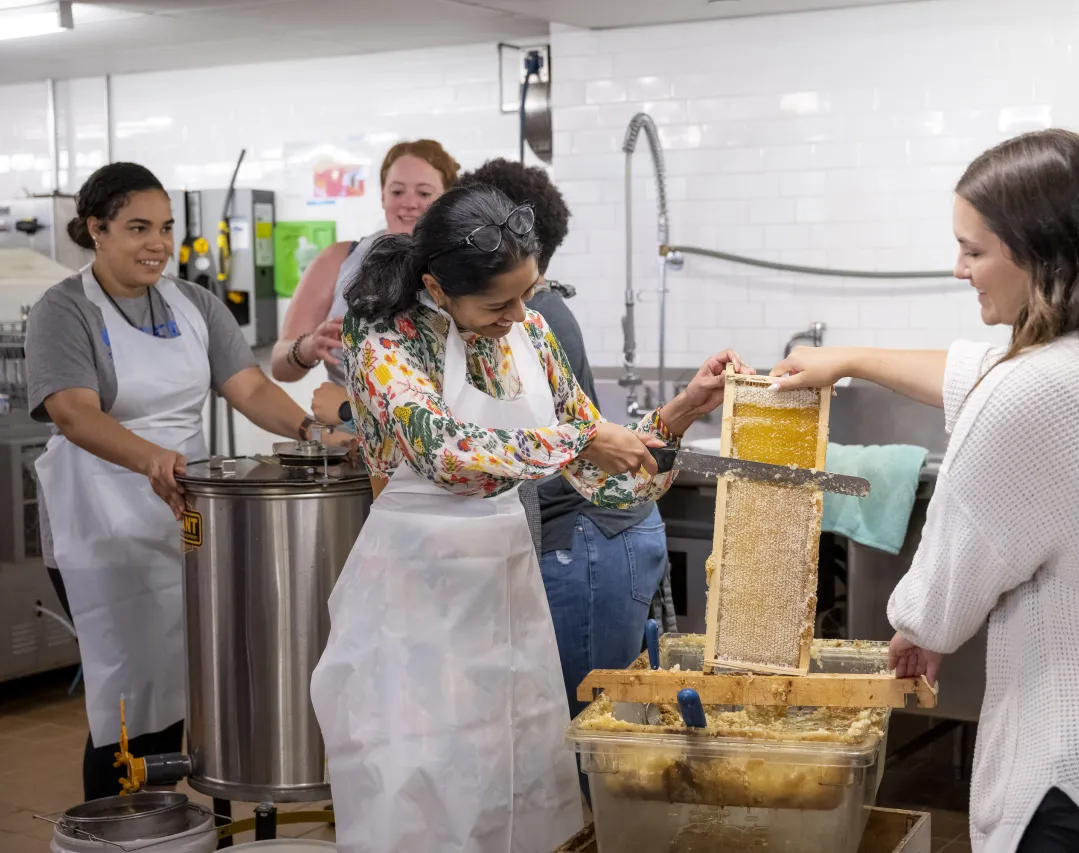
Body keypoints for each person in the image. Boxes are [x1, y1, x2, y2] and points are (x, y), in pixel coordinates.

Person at [772, 129, 1079, 853]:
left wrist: (918, 629)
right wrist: (846, 358)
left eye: (974, 250)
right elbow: (1002, 375)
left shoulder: (1033, 393)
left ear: (1038, 251)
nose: (958, 268)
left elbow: (934, 608)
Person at [309, 184, 747, 853]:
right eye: (499, 302)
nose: (520, 313)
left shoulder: (531, 332)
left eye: (528, 292)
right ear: (436, 285)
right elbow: (447, 453)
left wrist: (682, 411)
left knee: (516, 773)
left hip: (506, 597)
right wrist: (582, 440)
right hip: (412, 598)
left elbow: (598, 476)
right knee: (423, 783)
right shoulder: (386, 335)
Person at [25, 162, 349, 802]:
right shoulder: (64, 311)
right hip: (100, 524)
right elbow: (73, 411)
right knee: (128, 693)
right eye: (138, 227)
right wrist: (150, 457)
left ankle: (169, 823)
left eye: (166, 228)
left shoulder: (193, 303)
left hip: (185, 518)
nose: (157, 244)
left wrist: (313, 434)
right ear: (96, 229)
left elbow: (249, 385)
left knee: (185, 685)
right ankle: (116, 826)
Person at [457, 159, 669, 736]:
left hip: (585, 541)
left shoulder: (534, 321)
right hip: (580, 539)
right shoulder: (487, 324)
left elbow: (555, 447)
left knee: (588, 739)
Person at [272, 139, 458, 421]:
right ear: (382, 195)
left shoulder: (462, 268)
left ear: (446, 200)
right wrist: (307, 347)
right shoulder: (339, 258)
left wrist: (350, 409)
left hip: (432, 439)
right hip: (346, 445)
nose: (409, 203)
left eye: (423, 193)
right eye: (397, 191)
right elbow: (280, 364)